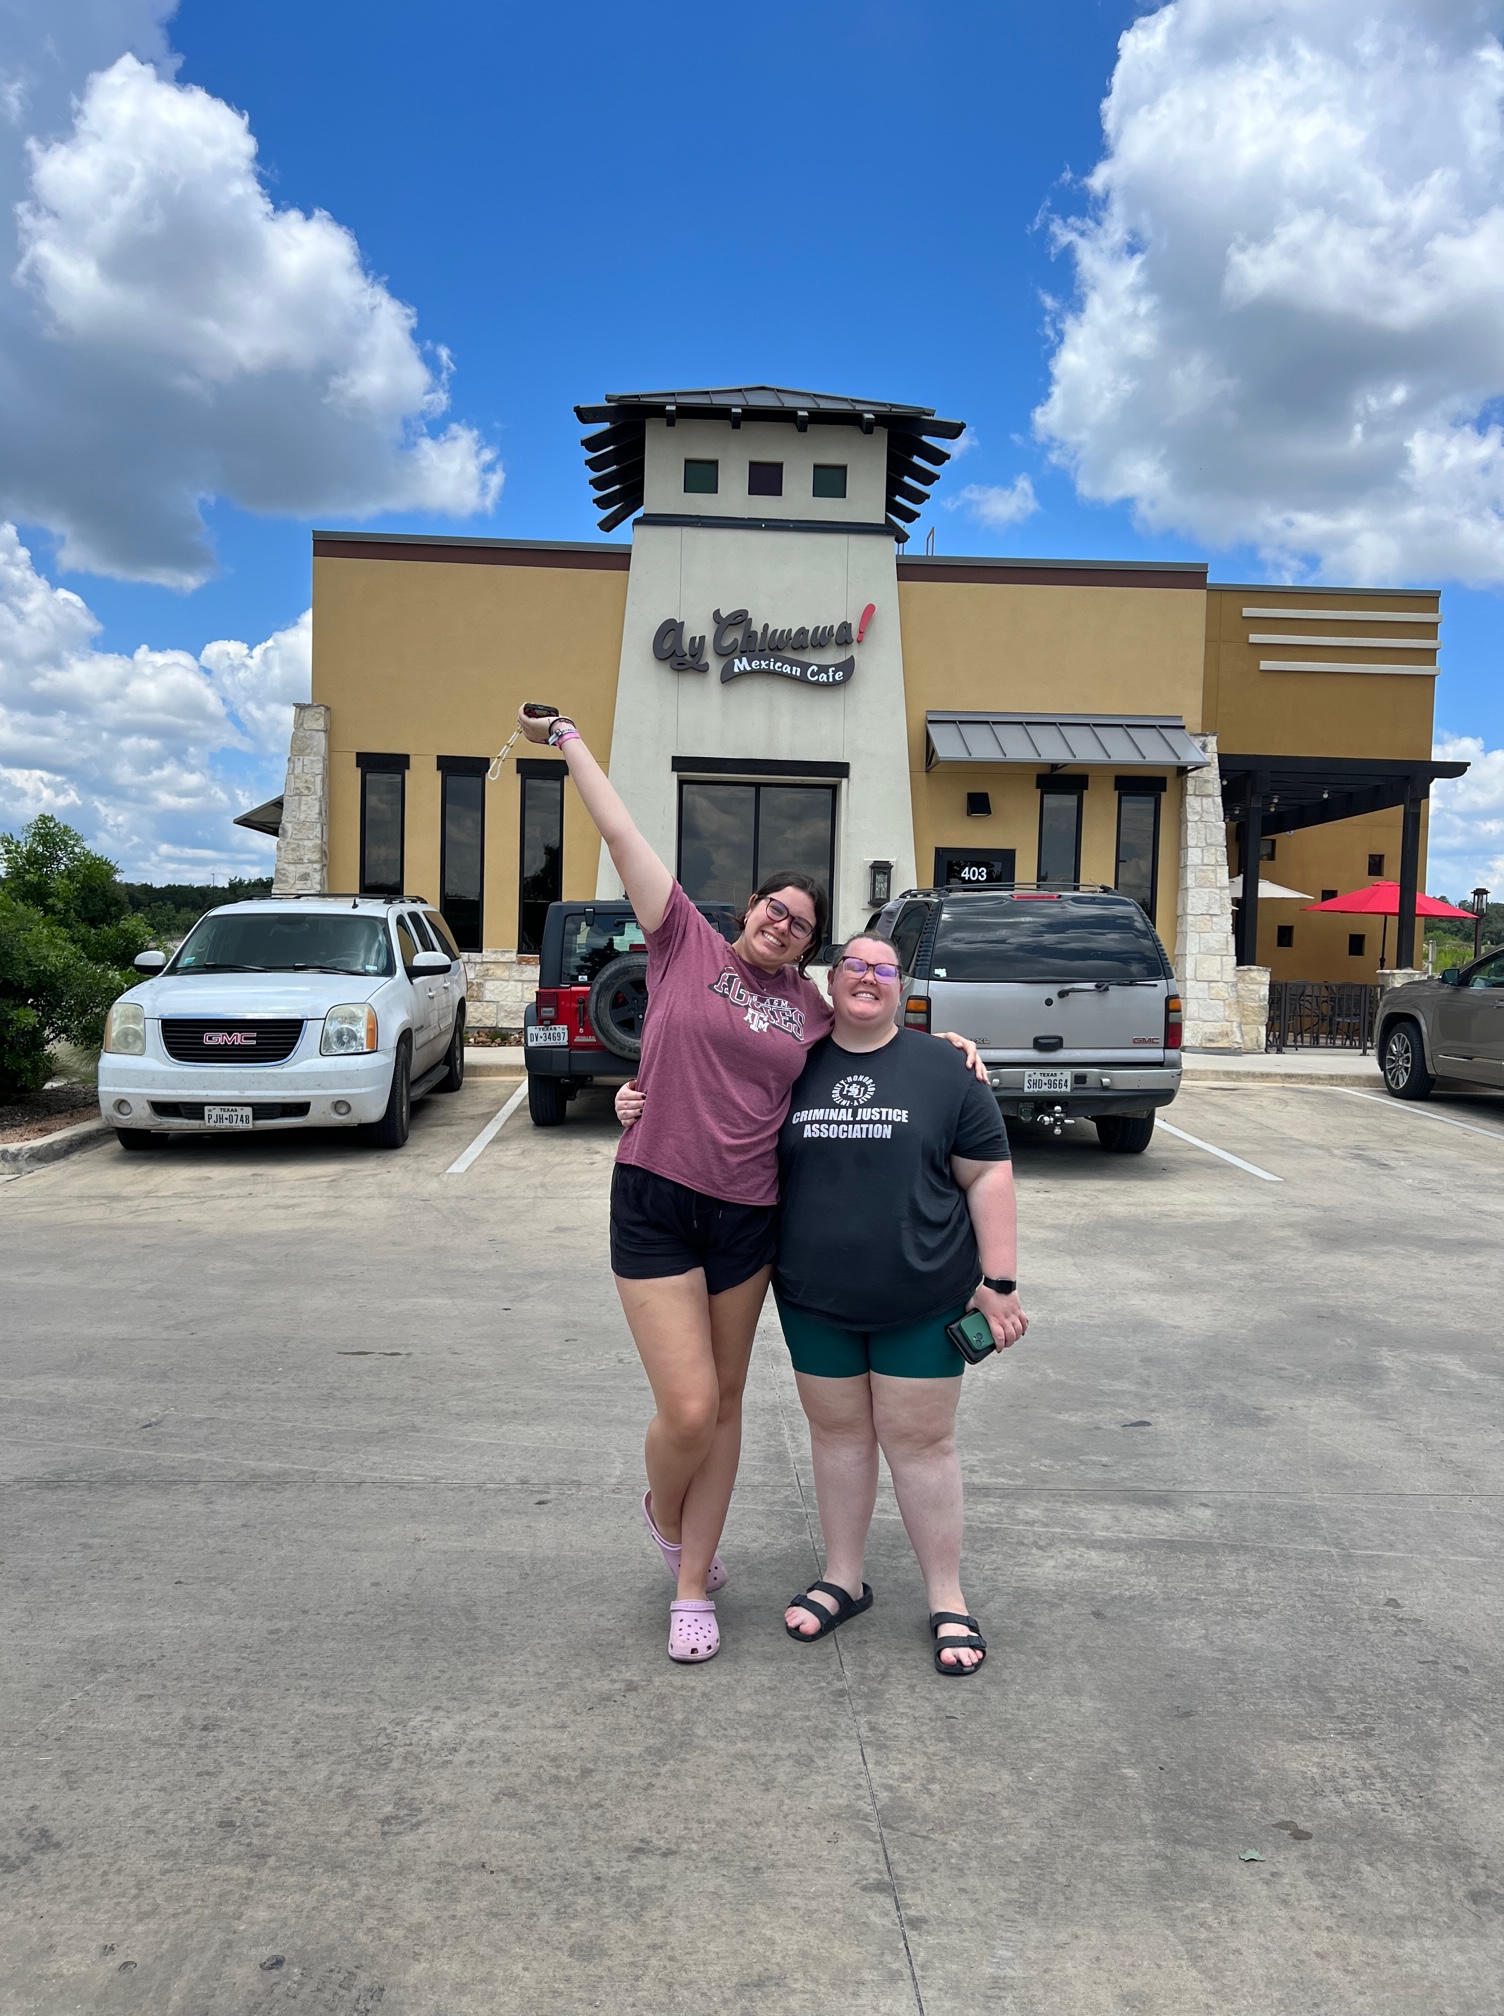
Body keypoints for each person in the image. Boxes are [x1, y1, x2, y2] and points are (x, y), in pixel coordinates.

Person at [513, 707, 984, 1666]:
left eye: (802, 923)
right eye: (775, 906)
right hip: (654, 1196)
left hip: (747, 1215)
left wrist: (948, 1048)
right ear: (748, 910)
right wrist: (567, 741)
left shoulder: (808, 1006)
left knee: (725, 1402)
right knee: (687, 1408)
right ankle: (664, 1510)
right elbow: (620, 831)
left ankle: (693, 1582)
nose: (783, 923)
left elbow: (874, 1028)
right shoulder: (681, 940)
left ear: (810, 947)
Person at [618, 933, 1026, 1673]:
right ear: (828, 982)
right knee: (837, 1437)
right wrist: (634, 1099)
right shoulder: (791, 1061)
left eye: (883, 969)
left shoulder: (945, 1067)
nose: (868, 978)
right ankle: (843, 1578)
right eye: (854, 966)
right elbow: (711, 1092)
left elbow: (988, 1174)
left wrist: (998, 1285)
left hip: (922, 1295)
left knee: (921, 1442)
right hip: (813, 1297)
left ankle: (947, 1598)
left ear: (902, 986)